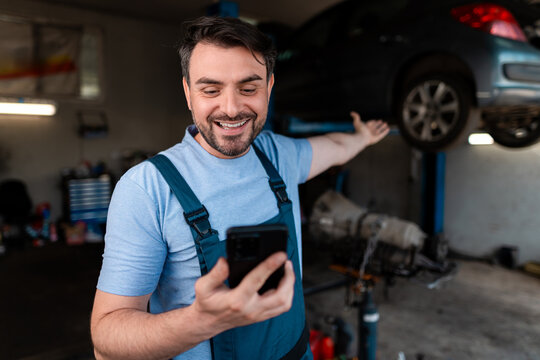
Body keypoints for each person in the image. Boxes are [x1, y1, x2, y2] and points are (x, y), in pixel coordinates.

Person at [90, 16, 389, 360]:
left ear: (269, 87)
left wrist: (363, 138)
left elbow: (336, 147)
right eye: (211, 90)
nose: (231, 108)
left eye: (248, 89)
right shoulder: (147, 189)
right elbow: (107, 340)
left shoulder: (278, 155)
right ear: (188, 92)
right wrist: (201, 321)